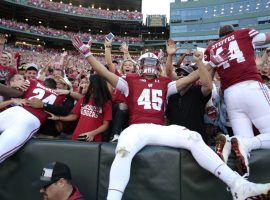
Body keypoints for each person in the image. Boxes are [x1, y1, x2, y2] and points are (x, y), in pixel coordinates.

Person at [71, 35, 270, 200]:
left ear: (157, 65)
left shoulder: (165, 83)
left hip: (159, 128)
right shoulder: (130, 81)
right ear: (140, 65)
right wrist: (87, 54)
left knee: (193, 137)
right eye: (146, 62)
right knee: (123, 151)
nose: (149, 66)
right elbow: (105, 73)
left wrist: (209, 63)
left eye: (152, 62)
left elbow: (190, 78)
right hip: (136, 128)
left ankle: (238, 184)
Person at [204, 25, 270, 176]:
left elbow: (210, 71)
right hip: (251, 86)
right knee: (251, 141)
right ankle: (241, 142)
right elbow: (266, 37)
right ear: (233, 31)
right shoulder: (243, 34)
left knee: (244, 146)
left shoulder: (211, 48)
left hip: (230, 94)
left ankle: (233, 147)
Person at [0, 78, 65, 163]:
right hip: (31, 119)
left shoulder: (33, 81)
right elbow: (66, 110)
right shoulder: (61, 94)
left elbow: (17, 91)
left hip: (16, 110)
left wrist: (14, 85)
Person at [165, 40, 212, 143]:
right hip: (175, 139)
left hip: (196, 140)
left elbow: (208, 86)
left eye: (185, 74)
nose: (181, 76)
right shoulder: (172, 95)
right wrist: (170, 56)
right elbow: (168, 118)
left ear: (192, 78)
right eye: (179, 74)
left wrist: (199, 62)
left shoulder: (198, 91)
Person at [47, 74, 112, 142]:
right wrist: (58, 117)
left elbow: (105, 125)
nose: (85, 85)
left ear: (94, 85)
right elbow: (74, 116)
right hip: (77, 137)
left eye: (88, 82)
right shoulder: (84, 99)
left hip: (93, 140)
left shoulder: (106, 103)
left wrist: (92, 134)